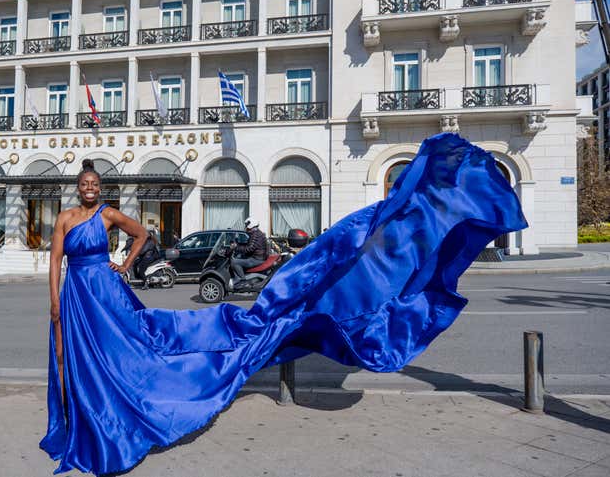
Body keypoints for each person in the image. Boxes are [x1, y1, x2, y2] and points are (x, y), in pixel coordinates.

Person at [40, 135, 528, 475]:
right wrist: (55, 302)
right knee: (83, 357)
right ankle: (90, 414)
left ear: (100, 188)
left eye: (94, 184)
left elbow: (143, 234)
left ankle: (120, 412)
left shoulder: (109, 214)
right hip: (77, 296)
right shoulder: (64, 218)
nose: (89, 188)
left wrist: (124, 265)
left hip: (104, 289)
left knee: (127, 349)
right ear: (75, 188)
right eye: (84, 184)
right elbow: (55, 260)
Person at [229, 217, 267, 286]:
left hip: (256, 259)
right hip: (257, 257)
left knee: (234, 262)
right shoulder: (256, 233)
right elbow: (249, 245)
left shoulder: (255, 235)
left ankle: (242, 280)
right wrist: (238, 244)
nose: (246, 227)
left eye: (247, 225)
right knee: (239, 256)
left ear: (251, 225)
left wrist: (236, 247)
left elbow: (249, 248)